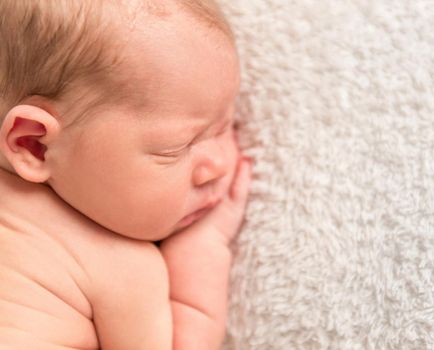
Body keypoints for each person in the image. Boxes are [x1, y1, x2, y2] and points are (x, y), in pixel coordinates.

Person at [0, 0, 253, 349]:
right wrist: (204, 244)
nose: (219, 165)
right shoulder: (120, 264)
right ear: (35, 144)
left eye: (225, 125)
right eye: (175, 148)